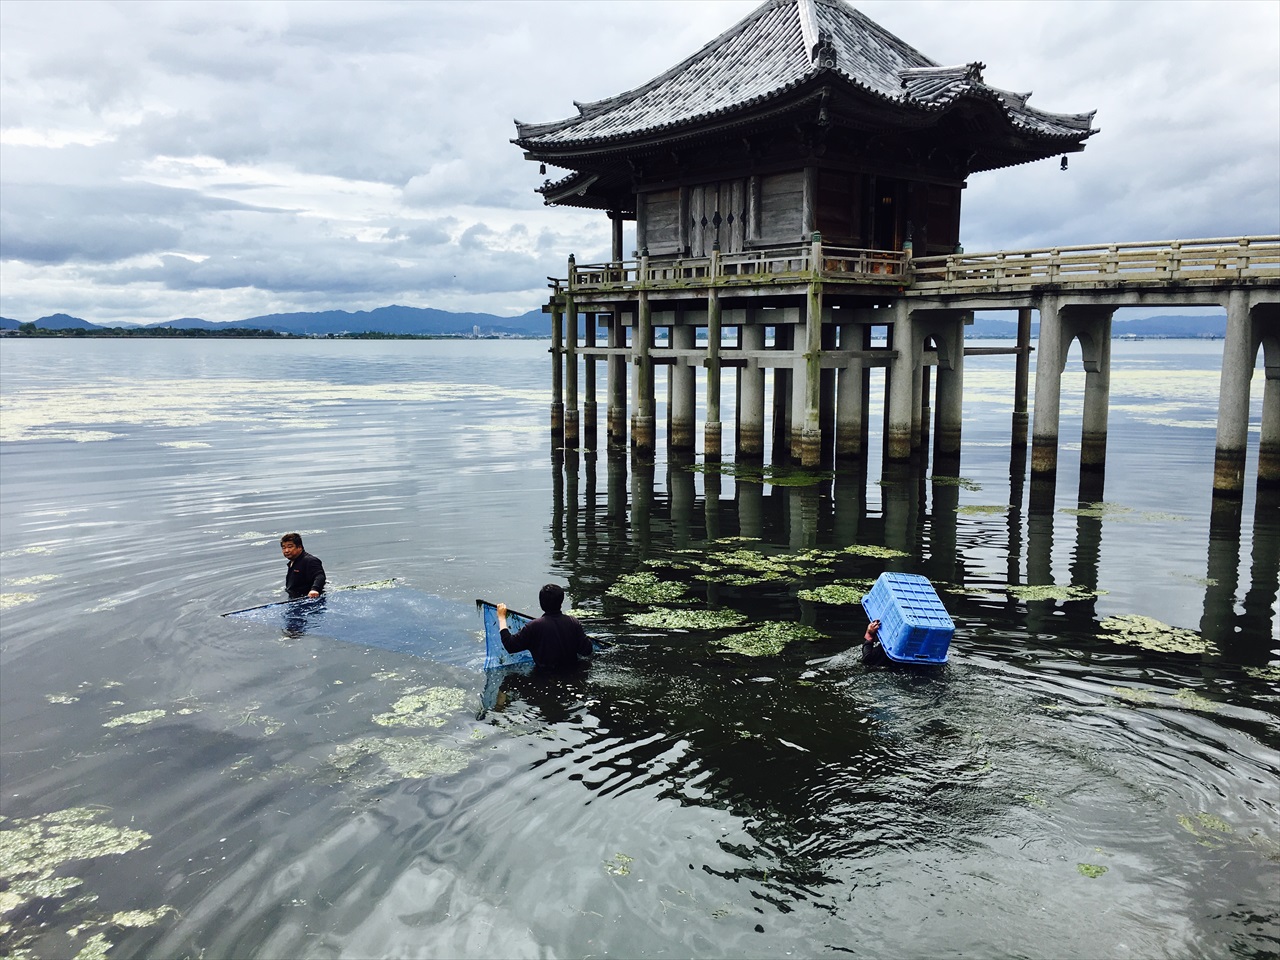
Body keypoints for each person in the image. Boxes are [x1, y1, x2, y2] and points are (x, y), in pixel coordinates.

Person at [496, 584, 592, 670]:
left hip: (544, 676)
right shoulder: (573, 622)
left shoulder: (533, 627)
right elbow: (587, 650)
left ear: (541, 604)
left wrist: (501, 617)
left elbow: (510, 645)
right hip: (573, 674)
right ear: (561, 603)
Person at [281, 533, 325, 600]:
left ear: (299, 547)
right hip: (295, 598)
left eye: (290, 547)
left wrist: (315, 589)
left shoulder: (309, 560)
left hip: (309, 600)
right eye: (284, 548)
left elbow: (320, 575)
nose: (286, 551)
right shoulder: (293, 562)